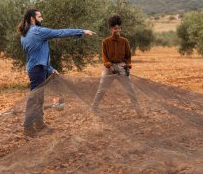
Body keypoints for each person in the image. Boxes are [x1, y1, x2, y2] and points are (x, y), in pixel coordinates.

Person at [18, 8, 95, 136]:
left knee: (39, 98)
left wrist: (50, 69)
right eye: (39, 17)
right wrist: (81, 31)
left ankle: (39, 124)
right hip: (37, 70)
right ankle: (28, 128)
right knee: (34, 98)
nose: (42, 19)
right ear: (32, 19)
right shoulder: (38, 31)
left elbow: (37, 54)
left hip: (35, 68)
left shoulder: (24, 34)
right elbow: (60, 32)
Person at [91, 15, 142, 116]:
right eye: (115, 28)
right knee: (102, 89)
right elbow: (104, 56)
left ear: (120, 28)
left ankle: (138, 111)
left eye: (118, 28)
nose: (117, 30)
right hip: (108, 68)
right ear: (111, 29)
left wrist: (128, 65)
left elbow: (128, 56)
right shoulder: (105, 41)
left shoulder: (125, 41)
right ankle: (93, 108)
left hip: (122, 67)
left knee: (130, 89)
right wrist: (108, 65)